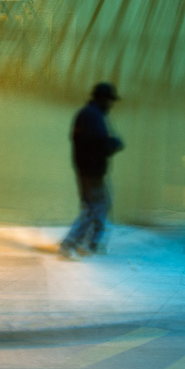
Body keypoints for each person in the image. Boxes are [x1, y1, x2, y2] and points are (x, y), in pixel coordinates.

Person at [60, 82, 124, 258]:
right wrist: (114, 144)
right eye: (110, 100)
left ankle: (91, 244)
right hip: (93, 171)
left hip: (86, 169)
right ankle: (70, 245)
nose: (111, 105)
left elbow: (84, 143)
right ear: (103, 98)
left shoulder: (86, 114)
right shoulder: (94, 116)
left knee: (98, 205)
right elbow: (98, 146)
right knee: (93, 207)